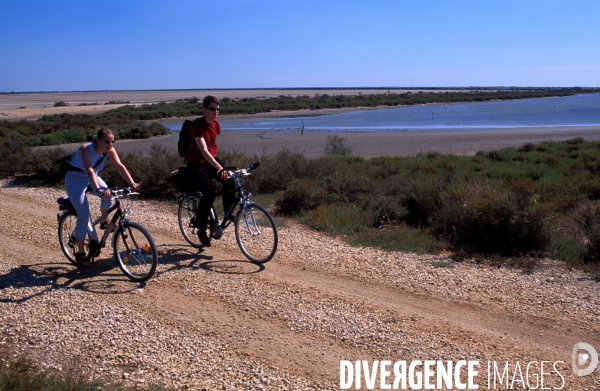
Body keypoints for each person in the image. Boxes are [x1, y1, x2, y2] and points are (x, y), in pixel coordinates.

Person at [64, 128, 140, 267]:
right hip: (75, 180)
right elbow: (89, 170)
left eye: (112, 141)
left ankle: (104, 223)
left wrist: (132, 183)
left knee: (108, 195)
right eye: (107, 141)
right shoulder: (85, 148)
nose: (110, 144)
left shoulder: (109, 150)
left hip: (91, 178)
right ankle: (80, 254)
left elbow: (120, 166)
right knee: (83, 214)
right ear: (98, 140)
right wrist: (98, 188)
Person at [186, 95, 235, 247]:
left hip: (211, 161)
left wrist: (219, 166)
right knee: (209, 193)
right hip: (196, 163)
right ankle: (201, 229)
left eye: (218, 109)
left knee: (230, 179)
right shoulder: (197, 126)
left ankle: (228, 212)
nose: (216, 111)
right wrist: (218, 167)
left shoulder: (215, 125)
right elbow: (204, 150)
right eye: (213, 109)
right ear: (205, 109)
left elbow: (212, 148)